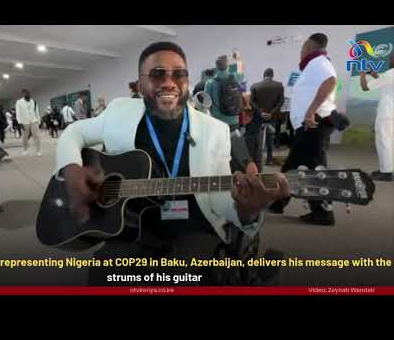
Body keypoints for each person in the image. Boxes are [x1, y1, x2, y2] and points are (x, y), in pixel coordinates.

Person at [55, 41, 289, 285]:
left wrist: (246, 210)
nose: (169, 82)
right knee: (103, 278)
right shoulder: (119, 111)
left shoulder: (214, 130)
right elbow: (74, 133)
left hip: (194, 229)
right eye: (157, 74)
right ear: (140, 82)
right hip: (130, 229)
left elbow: (220, 200)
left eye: (179, 74)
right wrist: (71, 169)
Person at [270, 33, 337, 226]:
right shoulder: (314, 65)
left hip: (314, 124)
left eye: (301, 48)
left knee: (316, 169)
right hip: (307, 127)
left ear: (308, 47)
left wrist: (310, 113)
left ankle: (324, 212)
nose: (300, 52)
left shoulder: (319, 62)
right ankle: (278, 202)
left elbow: (330, 82)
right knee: (291, 166)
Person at [360, 54, 394, 182]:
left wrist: (362, 74)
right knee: (390, 142)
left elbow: (365, 87)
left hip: (386, 113)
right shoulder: (389, 76)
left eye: (391, 58)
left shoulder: (390, 73)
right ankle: (388, 169)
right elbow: (385, 84)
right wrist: (374, 75)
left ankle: (386, 172)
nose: (389, 60)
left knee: (383, 141)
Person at [247, 68, 285, 170]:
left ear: (263, 75)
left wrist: (260, 112)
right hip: (272, 117)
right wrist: (271, 113)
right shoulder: (279, 86)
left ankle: (257, 160)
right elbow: (281, 102)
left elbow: (251, 102)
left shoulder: (255, 86)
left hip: (258, 117)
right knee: (270, 138)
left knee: (257, 137)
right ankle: (269, 159)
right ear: (272, 75)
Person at [15, 89, 42, 157]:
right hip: (24, 122)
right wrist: (19, 122)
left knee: (36, 136)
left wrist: (39, 121)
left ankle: (38, 151)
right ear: (22, 94)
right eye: (24, 93)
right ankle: (25, 149)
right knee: (25, 137)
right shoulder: (19, 102)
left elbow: (37, 112)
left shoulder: (34, 101)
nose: (26, 94)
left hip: (34, 121)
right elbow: (18, 113)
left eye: (27, 93)